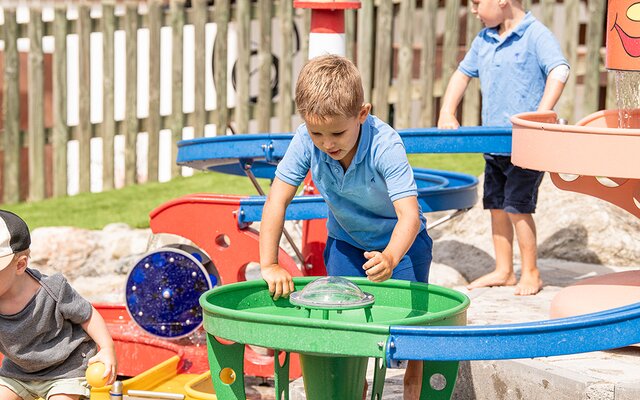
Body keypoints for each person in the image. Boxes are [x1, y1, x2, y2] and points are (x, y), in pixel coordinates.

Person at [259, 54, 432, 400]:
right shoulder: (306, 140)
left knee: (413, 326)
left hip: (403, 244)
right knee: (344, 321)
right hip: (346, 242)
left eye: (337, 132)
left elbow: (409, 217)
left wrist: (391, 256)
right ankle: (355, 385)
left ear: (362, 114)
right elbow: (277, 200)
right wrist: (269, 264)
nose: (327, 143)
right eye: (316, 132)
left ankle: (414, 385)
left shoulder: (385, 144)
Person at [437, 0, 570, 296]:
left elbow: (559, 70)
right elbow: (462, 74)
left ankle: (532, 273)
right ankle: (504, 270)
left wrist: (541, 113)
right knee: (496, 206)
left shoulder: (535, 34)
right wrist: (447, 110)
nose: (472, 10)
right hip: (494, 143)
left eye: (476, 3)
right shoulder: (483, 39)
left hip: (525, 144)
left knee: (517, 207)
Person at [0, 210, 117, 400]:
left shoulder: (53, 290)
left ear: (20, 265)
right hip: (17, 373)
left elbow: (87, 315)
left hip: (65, 371)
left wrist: (106, 348)